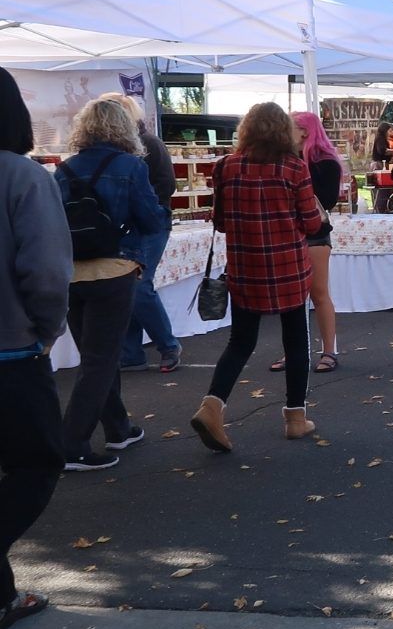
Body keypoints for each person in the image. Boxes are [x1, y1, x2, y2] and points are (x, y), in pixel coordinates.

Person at [190, 103, 326, 452]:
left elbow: (219, 222)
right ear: (283, 131)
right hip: (287, 268)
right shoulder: (294, 168)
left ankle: (212, 406)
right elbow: (312, 223)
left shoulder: (225, 167)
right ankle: (296, 418)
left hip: (245, 268)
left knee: (240, 343)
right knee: (296, 343)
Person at [54, 96, 169, 470]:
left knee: (95, 357)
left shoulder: (64, 169)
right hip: (114, 269)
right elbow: (152, 220)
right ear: (123, 127)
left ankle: (119, 428)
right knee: (101, 361)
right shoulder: (130, 167)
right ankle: (72, 443)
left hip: (71, 274)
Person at [0, 69, 73, 629]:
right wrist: (44, 332)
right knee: (37, 462)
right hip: (10, 353)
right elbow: (47, 272)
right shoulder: (21, 177)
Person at [106, 94, 181, 373]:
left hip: (151, 224)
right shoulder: (118, 148)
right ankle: (131, 352)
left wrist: (144, 208)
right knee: (128, 285)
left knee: (138, 285)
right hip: (128, 225)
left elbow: (166, 185)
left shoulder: (149, 143)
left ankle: (168, 345)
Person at [269, 112, 343, 375]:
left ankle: (329, 350)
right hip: (289, 231)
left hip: (314, 233)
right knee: (291, 297)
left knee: (319, 292)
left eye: (292, 128)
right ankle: (294, 351)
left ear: (304, 131)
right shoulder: (285, 160)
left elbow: (328, 200)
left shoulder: (325, 164)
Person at [370, 121, 393, 212]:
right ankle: (380, 208)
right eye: (389, 130)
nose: (390, 132)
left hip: (382, 165)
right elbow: (382, 151)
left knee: (384, 189)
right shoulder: (380, 139)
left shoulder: (383, 139)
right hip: (378, 165)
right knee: (382, 189)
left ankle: (383, 207)